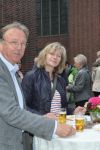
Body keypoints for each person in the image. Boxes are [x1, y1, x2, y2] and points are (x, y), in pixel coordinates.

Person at [0, 22, 76, 150]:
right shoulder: (25, 75)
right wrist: (52, 126)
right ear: (1, 44)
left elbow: (21, 107)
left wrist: (73, 110)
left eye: (23, 43)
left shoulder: (13, 72)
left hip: (24, 139)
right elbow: (12, 112)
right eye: (14, 42)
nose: (19, 47)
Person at [22, 42, 82, 116]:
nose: (55, 57)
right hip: (41, 125)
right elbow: (23, 106)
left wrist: (73, 111)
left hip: (59, 124)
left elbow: (62, 108)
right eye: (52, 54)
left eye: (58, 56)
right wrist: (42, 116)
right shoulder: (31, 76)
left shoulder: (61, 81)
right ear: (45, 55)